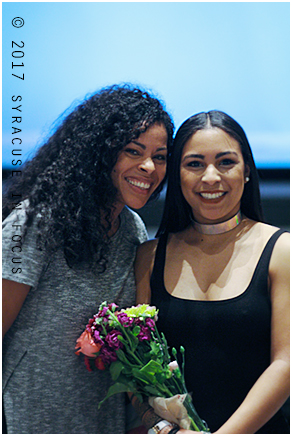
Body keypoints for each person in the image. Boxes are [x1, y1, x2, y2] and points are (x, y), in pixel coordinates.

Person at [2, 84, 174, 434]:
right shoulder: (35, 222)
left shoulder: (134, 230)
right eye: (133, 151)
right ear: (100, 152)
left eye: (160, 156)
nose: (149, 167)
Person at [134, 111, 290, 434]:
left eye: (225, 162)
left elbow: (285, 364)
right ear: (176, 175)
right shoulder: (148, 256)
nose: (210, 177)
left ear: (247, 171)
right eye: (194, 164)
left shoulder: (282, 251)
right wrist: (163, 427)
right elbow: (137, 369)